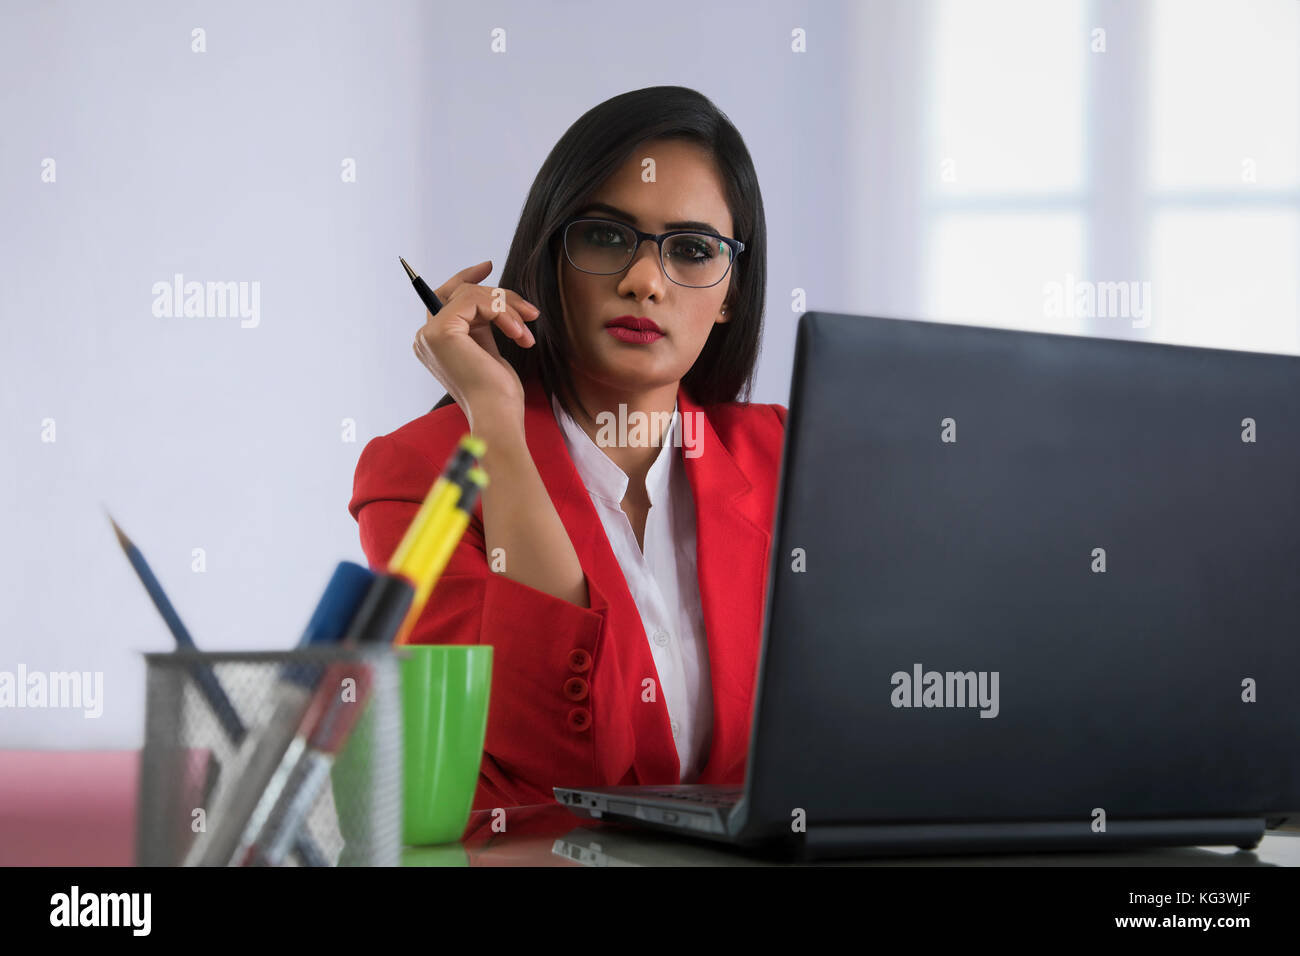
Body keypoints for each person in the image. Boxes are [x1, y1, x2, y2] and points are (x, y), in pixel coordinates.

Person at [348, 86, 787, 811]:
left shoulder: (786, 457)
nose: (645, 281)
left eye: (693, 249)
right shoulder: (420, 477)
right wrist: (496, 420)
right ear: (551, 256)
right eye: (607, 237)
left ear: (732, 291)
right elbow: (560, 755)